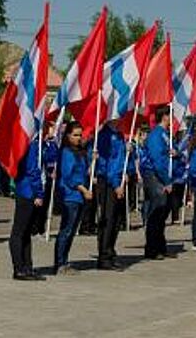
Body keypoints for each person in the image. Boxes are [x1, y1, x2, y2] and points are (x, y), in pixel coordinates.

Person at [55, 121, 92, 275]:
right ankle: (59, 263)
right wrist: (83, 190)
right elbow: (69, 176)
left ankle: (64, 260)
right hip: (70, 195)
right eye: (75, 135)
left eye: (79, 135)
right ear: (68, 135)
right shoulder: (67, 152)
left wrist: (91, 159)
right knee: (66, 230)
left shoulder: (80, 152)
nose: (78, 138)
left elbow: (83, 172)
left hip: (78, 197)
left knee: (71, 231)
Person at [142, 107, 176, 260]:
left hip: (162, 176)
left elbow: (167, 154)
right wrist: (166, 180)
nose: (173, 118)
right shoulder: (156, 135)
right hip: (155, 176)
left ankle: (161, 246)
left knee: (162, 214)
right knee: (156, 212)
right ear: (164, 117)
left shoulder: (164, 135)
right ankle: (152, 249)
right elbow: (157, 160)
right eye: (171, 115)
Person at [9, 138, 46, 281]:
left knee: (25, 233)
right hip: (27, 191)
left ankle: (27, 267)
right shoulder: (28, 143)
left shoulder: (34, 143)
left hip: (27, 190)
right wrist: (38, 192)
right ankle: (19, 269)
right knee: (19, 232)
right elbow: (32, 169)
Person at [96, 120, 126, 271]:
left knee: (117, 219)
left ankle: (110, 251)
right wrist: (115, 184)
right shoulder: (105, 135)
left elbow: (119, 160)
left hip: (118, 180)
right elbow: (106, 163)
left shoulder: (119, 135)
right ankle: (104, 257)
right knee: (108, 219)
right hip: (109, 182)